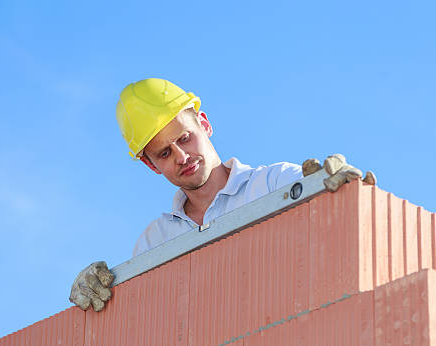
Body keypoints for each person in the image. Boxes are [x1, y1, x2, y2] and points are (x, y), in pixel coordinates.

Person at [69, 78, 374, 312]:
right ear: (151, 166)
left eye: (184, 138)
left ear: (204, 124)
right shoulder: (154, 241)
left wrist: (339, 190)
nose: (181, 157)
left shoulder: (275, 184)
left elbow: (347, 222)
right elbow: (138, 323)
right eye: (164, 153)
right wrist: (101, 296)